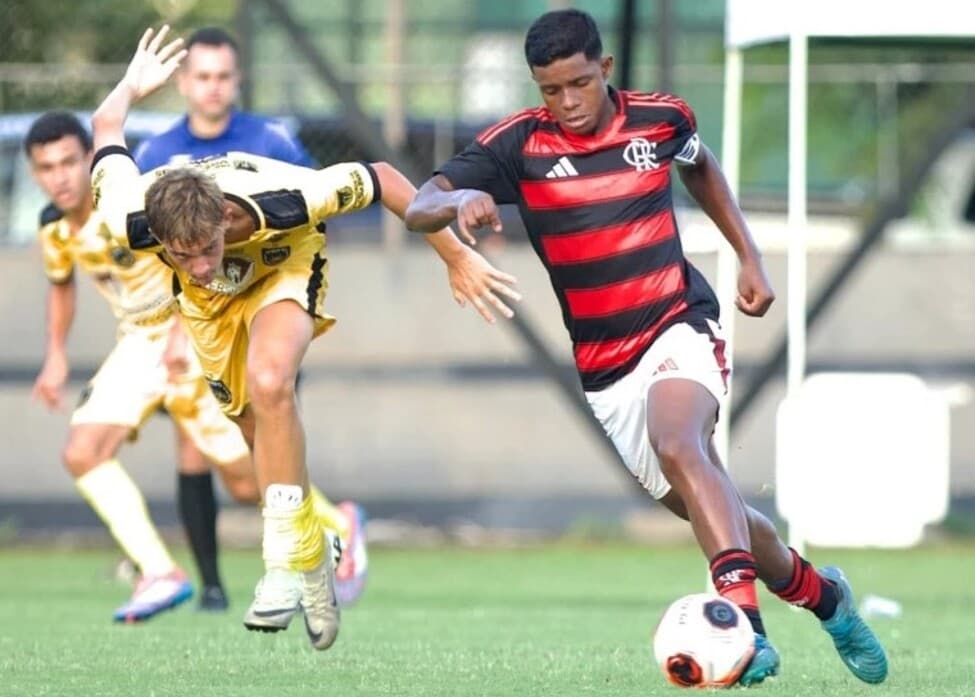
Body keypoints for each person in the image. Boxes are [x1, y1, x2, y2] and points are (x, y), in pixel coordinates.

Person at [405, 9, 888, 686]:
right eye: (551, 90)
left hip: (677, 321)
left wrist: (747, 255)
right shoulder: (515, 146)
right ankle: (822, 594)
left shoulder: (661, 118)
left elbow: (700, 166)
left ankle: (742, 623)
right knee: (702, 497)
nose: (567, 102)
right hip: (605, 369)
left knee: (680, 442)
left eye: (578, 83)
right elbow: (420, 200)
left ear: (604, 69)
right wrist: (457, 207)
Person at [90, 26, 519, 650]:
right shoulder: (130, 216)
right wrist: (132, 84)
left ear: (224, 221)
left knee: (271, 381)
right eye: (182, 255)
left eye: (208, 247)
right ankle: (316, 550)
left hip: (283, 265)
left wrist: (453, 255)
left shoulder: (287, 198)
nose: (201, 261)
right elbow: (106, 125)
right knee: (252, 439)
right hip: (208, 313)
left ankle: (282, 564)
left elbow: (384, 177)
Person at [130, 26, 366, 613]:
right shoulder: (157, 154)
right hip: (199, 317)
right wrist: (176, 326)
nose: (213, 88)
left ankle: (301, 550)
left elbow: (312, 206)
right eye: (202, 77)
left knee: (267, 408)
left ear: (237, 81)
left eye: (223, 77)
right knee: (201, 449)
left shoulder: (269, 140)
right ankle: (214, 585)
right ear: (184, 83)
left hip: (269, 299)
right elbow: (159, 249)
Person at [27, 110, 262, 623]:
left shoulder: (133, 207)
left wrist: (183, 329)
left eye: (69, 161)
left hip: (191, 337)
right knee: (82, 451)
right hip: (138, 346)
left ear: (91, 159)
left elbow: (195, 259)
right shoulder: (52, 228)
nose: (60, 176)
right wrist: (56, 355)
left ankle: (334, 527)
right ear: (34, 174)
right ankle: (159, 571)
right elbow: (61, 284)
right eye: (47, 167)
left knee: (248, 484)